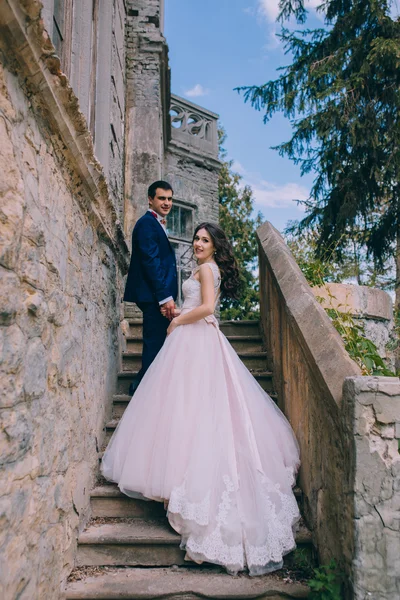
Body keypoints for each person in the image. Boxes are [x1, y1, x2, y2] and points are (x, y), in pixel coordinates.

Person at [102, 222, 301, 576]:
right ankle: (173, 477)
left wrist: (178, 321)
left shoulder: (208, 269)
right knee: (180, 410)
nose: (197, 243)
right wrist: (180, 316)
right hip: (191, 338)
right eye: (196, 238)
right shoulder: (204, 267)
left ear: (214, 246)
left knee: (194, 409)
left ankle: (186, 486)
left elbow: (208, 308)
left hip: (196, 339)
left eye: (205, 240)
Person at [123, 181, 178, 394]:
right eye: (162, 198)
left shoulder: (156, 224)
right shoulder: (147, 224)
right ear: (150, 199)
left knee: (156, 343)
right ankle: (143, 391)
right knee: (154, 343)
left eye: (169, 198)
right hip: (153, 296)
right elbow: (150, 261)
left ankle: (145, 387)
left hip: (156, 295)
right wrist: (164, 297)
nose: (166, 203)